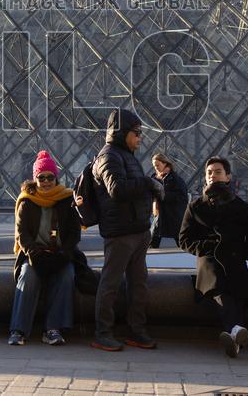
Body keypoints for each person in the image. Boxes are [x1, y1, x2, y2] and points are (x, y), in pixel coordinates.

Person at [90, 108, 163, 352]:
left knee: (138, 284)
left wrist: (151, 187)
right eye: (137, 132)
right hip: (120, 232)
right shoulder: (108, 156)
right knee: (110, 284)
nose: (140, 137)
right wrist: (147, 182)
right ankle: (102, 333)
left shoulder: (126, 155)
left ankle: (137, 331)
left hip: (137, 229)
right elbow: (117, 189)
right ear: (122, 133)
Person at [177, 156, 248, 357]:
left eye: (218, 171)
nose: (212, 175)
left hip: (233, 258)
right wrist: (206, 248)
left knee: (236, 290)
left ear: (228, 176)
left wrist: (242, 252)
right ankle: (237, 329)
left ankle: (235, 337)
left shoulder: (241, 207)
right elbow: (184, 239)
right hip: (209, 259)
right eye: (209, 172)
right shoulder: (196, 206)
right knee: (219, 287)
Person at [8, 150, 84, 347]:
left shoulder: (67, 199)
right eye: (42, 177)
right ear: (35, 179)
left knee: (67, 274)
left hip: (60, 254)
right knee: (28, 274)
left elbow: (74, 233)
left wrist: (64, 254)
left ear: (56, 178)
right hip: (34, 255)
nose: (47, 181)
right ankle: (18, 329)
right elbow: (22, 234)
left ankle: (53, 329)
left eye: (50, 177)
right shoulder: (26, 201)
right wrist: (35, 255)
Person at [149, 153, 189, 249]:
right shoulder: (154, 178)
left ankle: (189, 259)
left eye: (158, 165)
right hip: (159, 214)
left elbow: (182, 197)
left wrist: (163, 195)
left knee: (180, 241)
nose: (156, 168)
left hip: (173, 214)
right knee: (153, 239)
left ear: (165, 163)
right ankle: (149, 261)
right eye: (154, 166)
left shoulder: (176, 179)